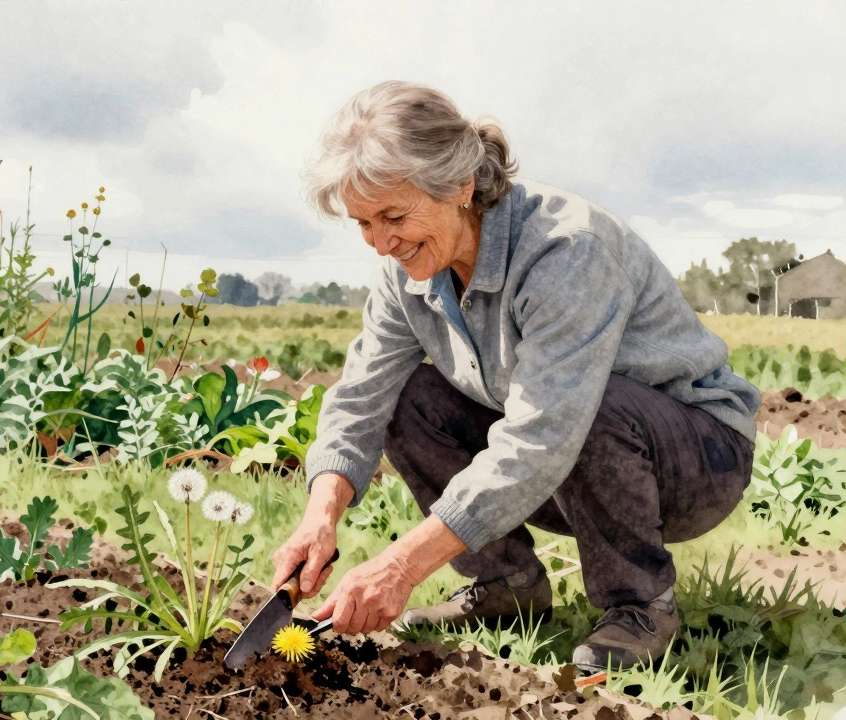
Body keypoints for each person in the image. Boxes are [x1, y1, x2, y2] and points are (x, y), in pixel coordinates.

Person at [269, 81, 760, 671]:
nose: (381, 243)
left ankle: (639, 605)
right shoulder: (409, 270)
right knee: (408, 397)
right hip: (565, 468)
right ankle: (506, 587)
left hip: (692, 461)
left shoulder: (567, 248)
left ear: (459, 185)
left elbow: (546, 432)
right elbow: (361, 397)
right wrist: (319, 519)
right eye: (363, 224)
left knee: (591, 404)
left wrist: (401, 566)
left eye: (394, 216)